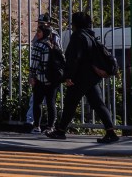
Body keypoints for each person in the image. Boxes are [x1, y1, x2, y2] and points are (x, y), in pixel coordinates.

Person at [46, 11, 119, 144]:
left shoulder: (78, 36)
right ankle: (110, 132)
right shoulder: (90, 36)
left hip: (80, 78)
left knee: (70, 104)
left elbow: (74, 59)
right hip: (92, 78)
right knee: (99, 104)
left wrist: (68, 76)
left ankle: (61, 131)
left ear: (76, 23)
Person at [26, 13, 61, 129]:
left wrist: (32, 75)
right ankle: (49, 126)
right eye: (39, 23)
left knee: (40, 102)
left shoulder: (50, 37)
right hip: (53, 77)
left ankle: (36, 125)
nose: (40, 26)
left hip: (42, 76)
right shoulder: (53, 38)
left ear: (48, 24)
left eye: (42, 23)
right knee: (48, 103)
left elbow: (35, 60)